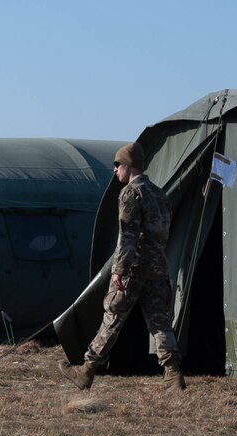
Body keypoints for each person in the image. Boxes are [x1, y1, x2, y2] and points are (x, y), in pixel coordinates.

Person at [60, 142, 183, 390]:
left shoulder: (130, 194)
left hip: (133, 268)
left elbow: (126, 236)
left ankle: (87, 370)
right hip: (157, 267)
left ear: (128, 166)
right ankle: (173, 374)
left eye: (117, 165)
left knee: (113, 318)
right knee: (160, 322)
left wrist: (118, 271)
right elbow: (163, 233)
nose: (115, 170)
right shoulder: (159, 194)